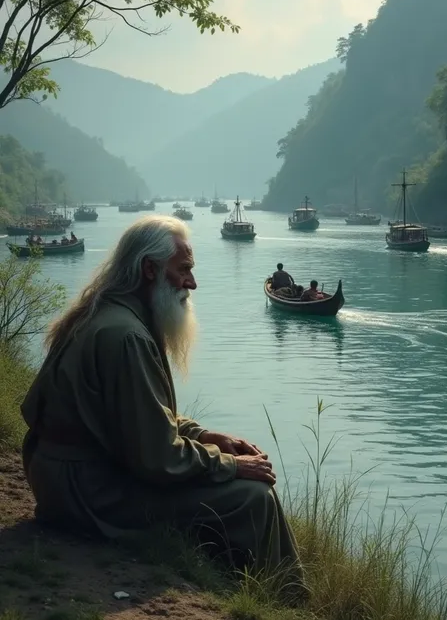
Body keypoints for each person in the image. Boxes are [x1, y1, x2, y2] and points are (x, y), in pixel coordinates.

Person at [21, 216, 304, 592]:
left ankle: (230, 580)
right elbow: (158, 459)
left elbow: (132, 416)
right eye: (183, 270)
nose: (192, 282)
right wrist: (232, 465)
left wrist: (204, 435)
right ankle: (284, 599)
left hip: (62, 479)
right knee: (253, 496)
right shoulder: (127, 336)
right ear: (149, 269)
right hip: (88, 495)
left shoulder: (107, 315)